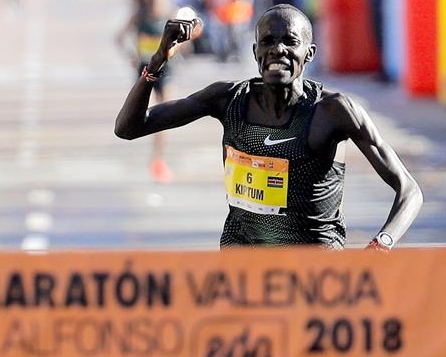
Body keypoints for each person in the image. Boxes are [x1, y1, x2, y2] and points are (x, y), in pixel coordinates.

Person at [114, 4, 423, 250]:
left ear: (309, 54)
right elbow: (128, 128)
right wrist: (157, 61)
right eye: (268, 41)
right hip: (245, 275)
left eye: (290, 41)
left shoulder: (333, 110)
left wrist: (381, 246)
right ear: (255, 52)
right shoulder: (228, 99)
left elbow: (409, 191)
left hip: (315, 280)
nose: (278, 50)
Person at [116, 0, 177, 183]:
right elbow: (119, 38)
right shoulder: (139, 14)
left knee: (166, 114)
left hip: (166, 71)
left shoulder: (171, 13)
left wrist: (172, 50)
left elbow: (184, 41)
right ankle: (154, 156)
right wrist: (132, 56)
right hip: (145, 71)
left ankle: (158, 159)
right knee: (144, 114)